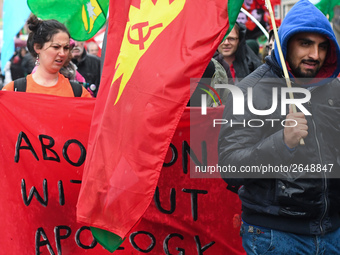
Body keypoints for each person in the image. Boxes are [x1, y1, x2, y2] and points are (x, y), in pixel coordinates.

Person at [218, 0, 340, 254]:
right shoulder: (249, 92)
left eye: (322, 46)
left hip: (333, 232)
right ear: (286, 43)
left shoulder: (334, 89)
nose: (314, 55)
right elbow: (230, 167)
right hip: (276, 236)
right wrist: (281, 143)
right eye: (305, 43)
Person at [2, 15, 91, 98]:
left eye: (66, 48)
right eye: (56, 47)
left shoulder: (79, 93)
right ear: (37, 47)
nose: (62, 53)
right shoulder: (13, 90)